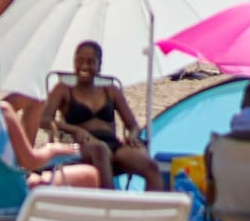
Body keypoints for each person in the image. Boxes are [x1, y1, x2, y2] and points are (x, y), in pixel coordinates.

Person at [0, 40, 101, 189]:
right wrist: (54, 149)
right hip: (6, 196)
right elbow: (31, 161)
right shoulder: (2, 111)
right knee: (90, 175)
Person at [40, 39, 164, 189]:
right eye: (79, 61)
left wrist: (132, 136)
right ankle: (110, 205)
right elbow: (44, 120)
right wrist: (74, 129)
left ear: (99, 66)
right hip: (80, 145)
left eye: (91, 62)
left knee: (149, 165)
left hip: (113, 145)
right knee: (99, 150)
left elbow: (133, 126)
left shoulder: (110, 90)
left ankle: (152, 210)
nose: (84, 66)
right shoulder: (63, 89)